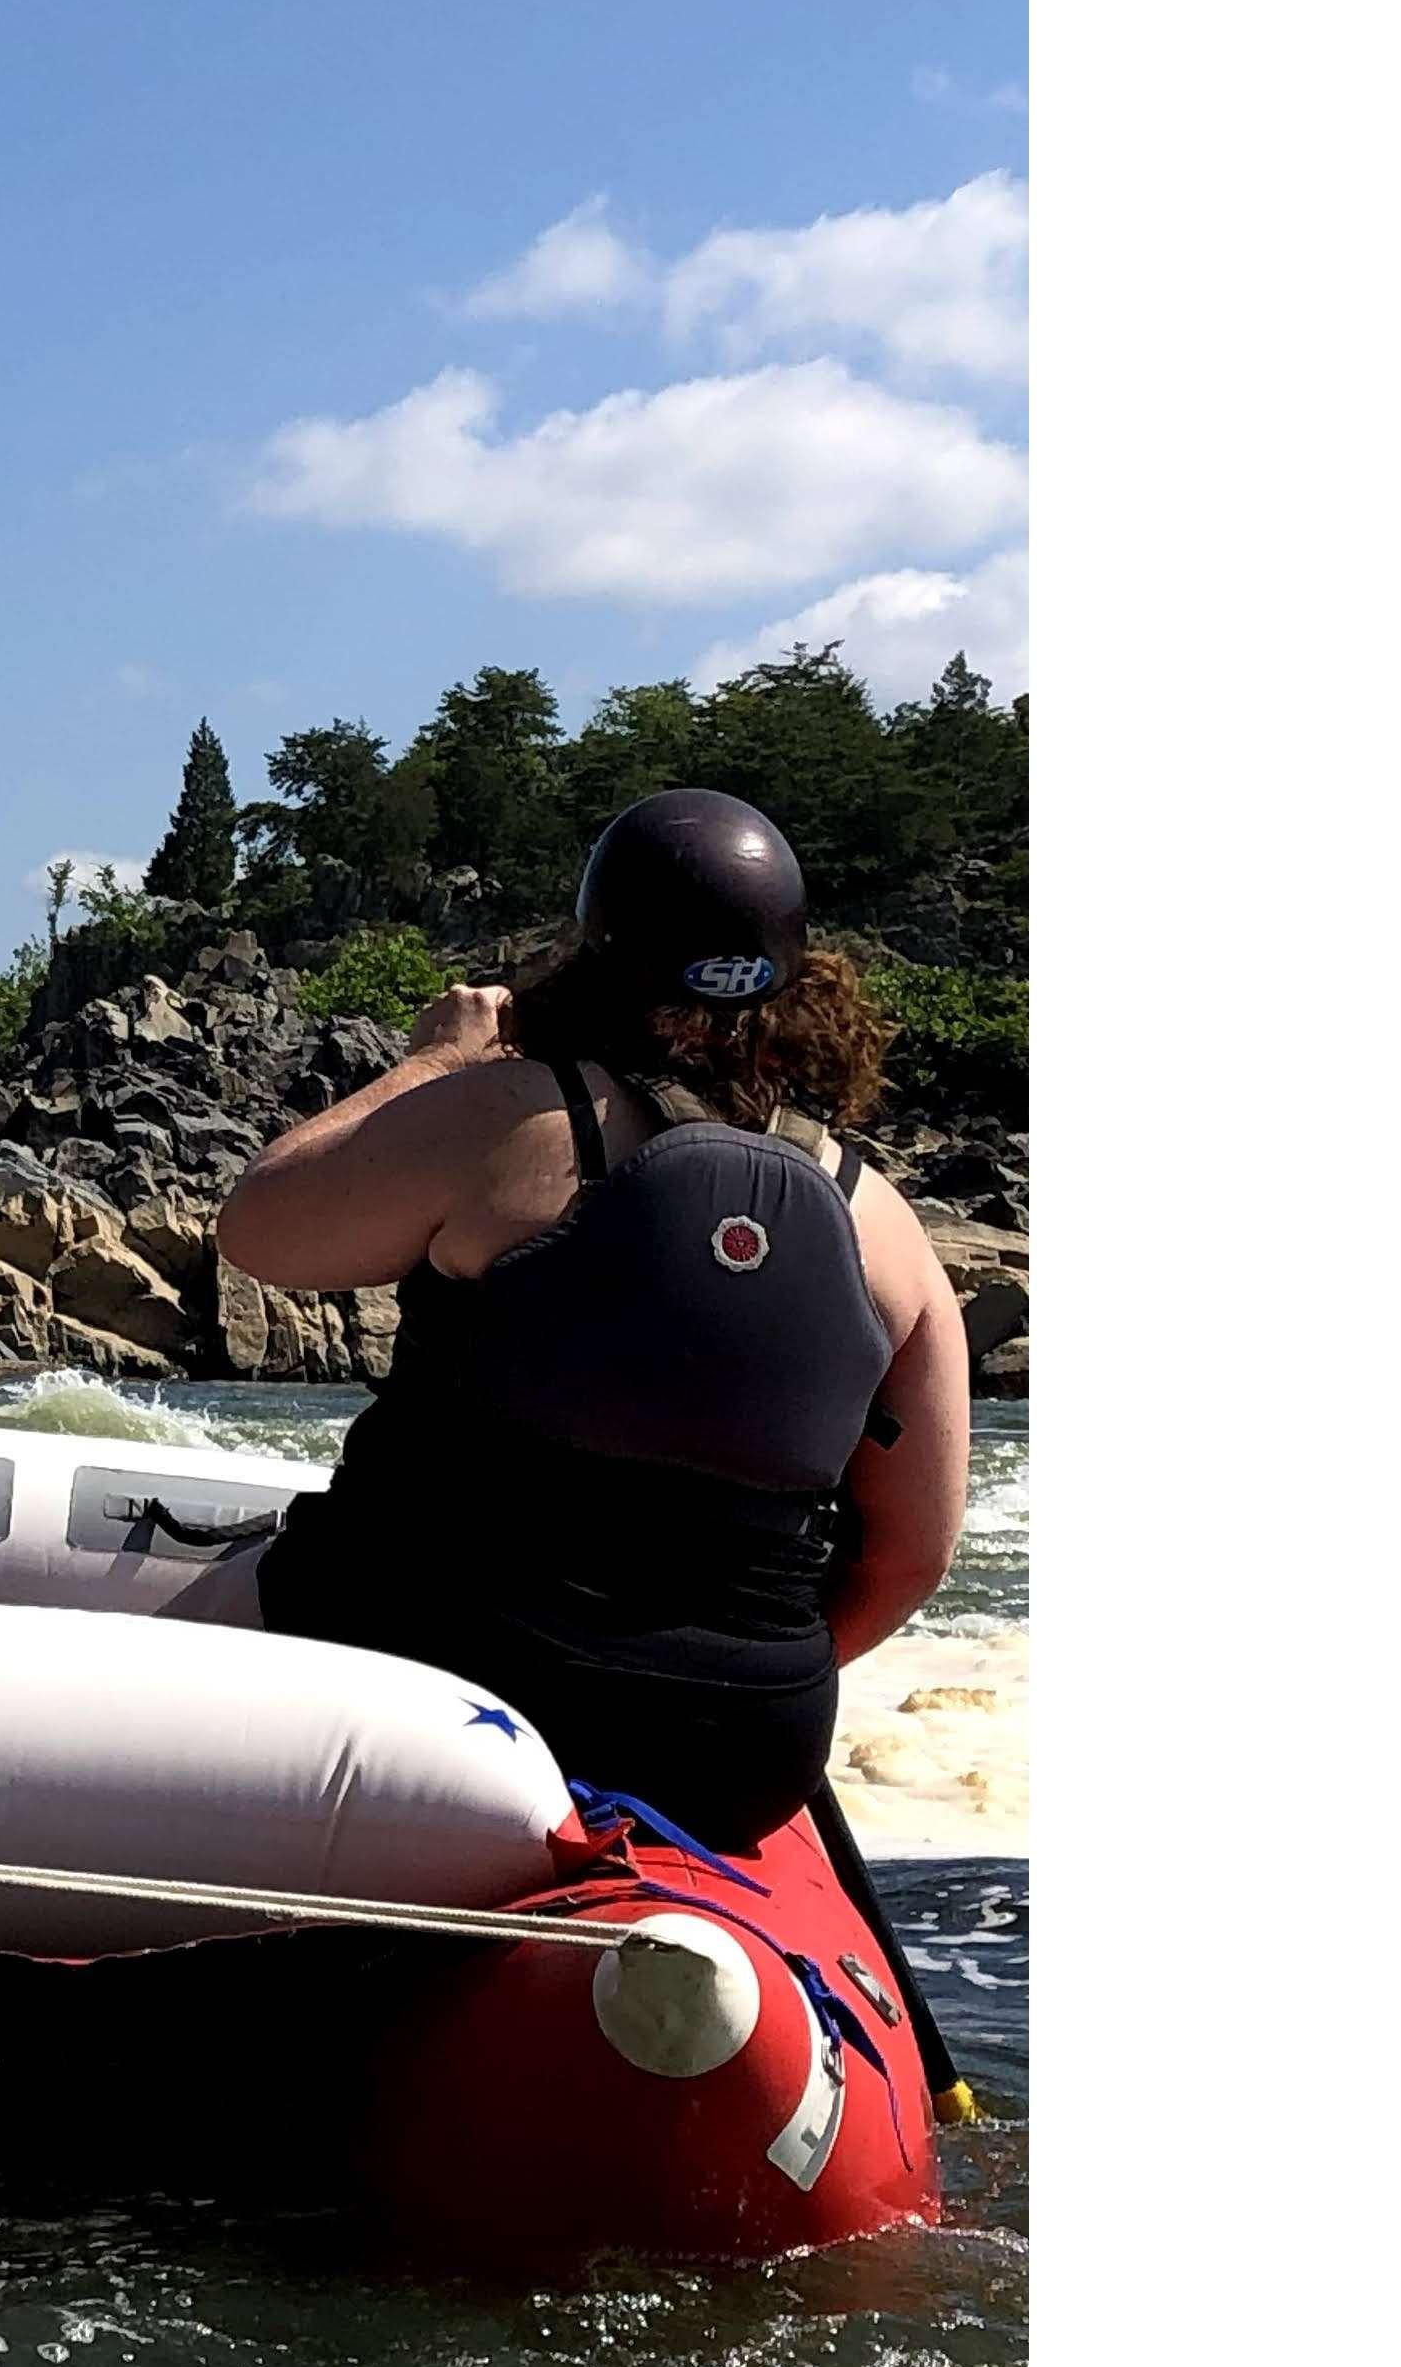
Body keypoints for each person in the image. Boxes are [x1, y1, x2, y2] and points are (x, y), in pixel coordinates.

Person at [182, 789, 969, 1850]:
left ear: (592, 959)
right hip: (736, 1752)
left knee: (128, 1685)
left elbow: (258, 1230)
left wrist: (435, 1061)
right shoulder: (884, 1223)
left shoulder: (506, 1121)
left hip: (422, 1676)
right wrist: (704, 1681)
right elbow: (913, 1555)